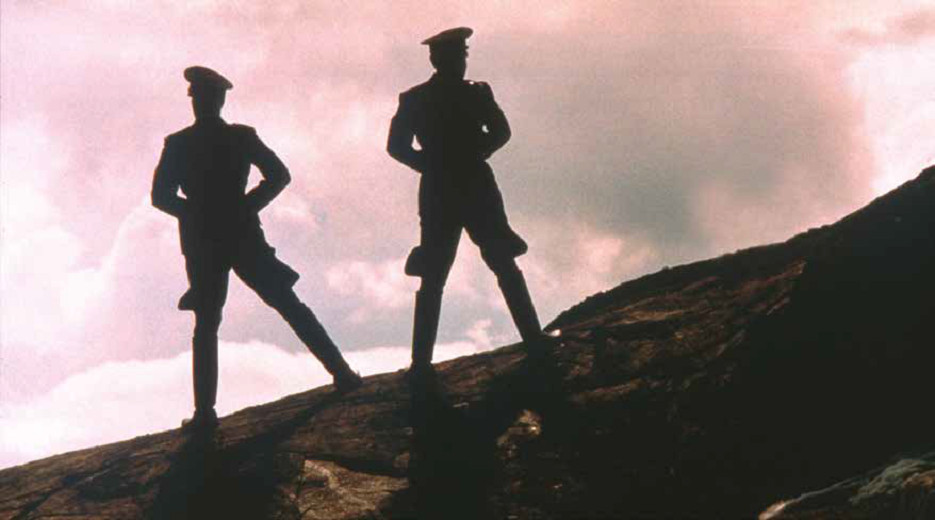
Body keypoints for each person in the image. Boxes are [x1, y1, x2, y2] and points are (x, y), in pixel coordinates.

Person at [152, 66, 362, 430]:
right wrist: (243, 207)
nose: (199, 102)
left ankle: (206, 414)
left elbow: (163, 197)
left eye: (201, 96)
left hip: (212, 238)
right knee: (269, 306)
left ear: (212, 100)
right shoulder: (230, 138)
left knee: (223, 318)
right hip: (233, 233)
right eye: (198, 96)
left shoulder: (185, 143)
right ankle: (340, 373)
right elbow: (277, 176)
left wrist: (207, 212)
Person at [387, 28, 546, 376]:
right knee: (439, 271)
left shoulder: (459, 94)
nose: (461, 61)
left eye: (463, 55)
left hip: (461, 186)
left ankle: (533, 339)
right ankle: (421, 362)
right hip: (457, 186)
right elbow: (396, 146)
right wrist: (437, 163)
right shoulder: (422, 97)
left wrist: (452, 159)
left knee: (496, 261)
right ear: (437, 59)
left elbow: (501, 131)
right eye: (456, 55)